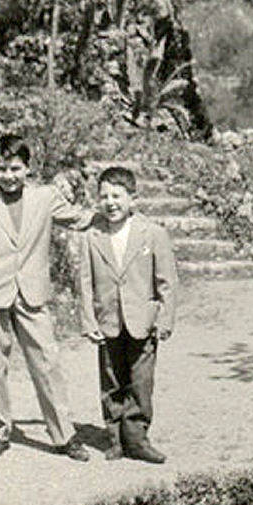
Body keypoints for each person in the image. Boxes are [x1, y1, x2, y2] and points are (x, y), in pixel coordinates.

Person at [0, 134, 94, 462]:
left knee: (47, 362)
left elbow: (79, 219)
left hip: (32, 293)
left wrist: (114, 215)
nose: (9, 176)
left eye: (16, 168)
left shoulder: (46, 197)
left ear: (28, 168)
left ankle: (64, 436)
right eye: (2, 169)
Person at [76, 165, 177, 464]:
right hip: (107, 321)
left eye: (117, 196)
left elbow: (167, 281)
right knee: (111, 381)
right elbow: (84, 283)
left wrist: (164, 319)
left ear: (133, 199)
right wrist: (88, 320)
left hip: (142, 322)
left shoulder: (153, 233)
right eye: (104, 196)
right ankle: (115, 439)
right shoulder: (92, 237)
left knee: (141, 381)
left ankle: (137, 439)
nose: (110, 202)